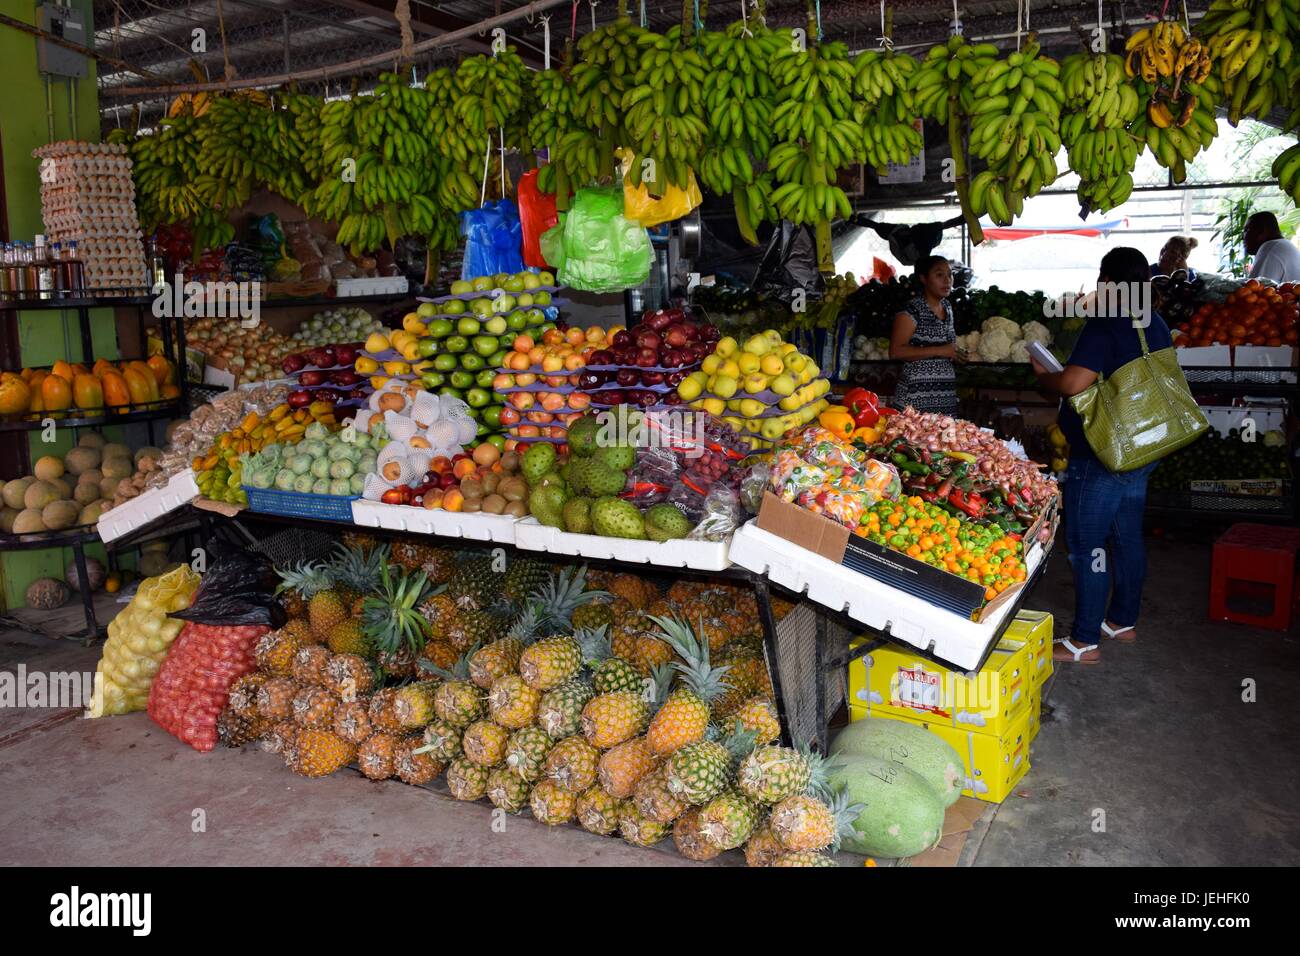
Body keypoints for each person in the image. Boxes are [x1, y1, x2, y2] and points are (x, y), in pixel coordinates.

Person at [1030, 247, 1173, 665]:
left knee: (1086, 542)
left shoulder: (1106, 323)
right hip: (1144, 445)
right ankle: (1122, 621)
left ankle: (1084, 640)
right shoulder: (1155, 322)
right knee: (1126, 535)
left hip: (1104, 453)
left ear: (1107, 283)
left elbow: (1074, 383)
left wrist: (1046, 376)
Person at [889, 255, 962, 415]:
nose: (947, 280)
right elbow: (896, 351)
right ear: (923, 278)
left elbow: (948, 347)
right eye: (939, 275)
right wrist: (941, 350)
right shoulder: (912, 310)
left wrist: (956, 354)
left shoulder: (948, 307)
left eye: (950, 274)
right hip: (915, 398)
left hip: (944, 397)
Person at [1244, 211, 1300, 282]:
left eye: (1247, 230)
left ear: (1261, 231)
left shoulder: (1270, 247)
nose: (1243, 237)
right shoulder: (1285, 245)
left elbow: (1253, 288)